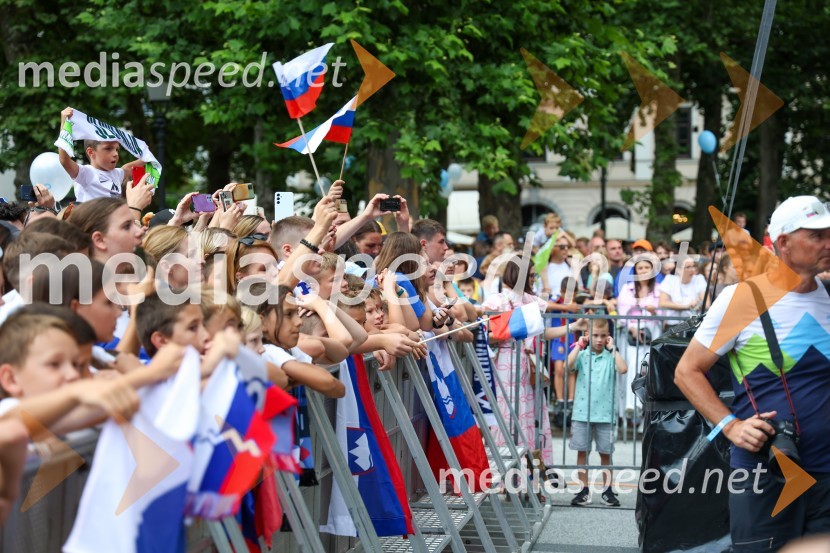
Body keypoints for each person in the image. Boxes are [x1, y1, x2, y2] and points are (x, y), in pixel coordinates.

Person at [675, 196, 830, 552]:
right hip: (765, 473)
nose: (828, 243)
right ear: (784, 243)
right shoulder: (741, 299)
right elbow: (687, 371)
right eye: (816, 235)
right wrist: (730, 425)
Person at [481, 256, 586, 468]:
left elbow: (542, 333)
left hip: (528, 363)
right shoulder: (496, 301)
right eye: (529, 275)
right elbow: (488, 334)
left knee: (530, 418)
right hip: (505, 362)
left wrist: (573, 327)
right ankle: (503, 474)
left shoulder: (532, 301)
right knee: (506, 416)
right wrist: (514, 328)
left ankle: (530, 475)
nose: (533, 279)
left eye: (533, 275)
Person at [566, 318, 627, 507]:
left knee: (606, 453)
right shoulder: (582, 356)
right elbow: (567, 366)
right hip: (582, 413)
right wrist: (579, 345)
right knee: (582, 452)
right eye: (595, 335)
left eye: (603, 336)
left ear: (608, 337)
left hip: (605, 414)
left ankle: (607, 490)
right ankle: (583, 490)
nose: (599, 340)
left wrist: (613, 348)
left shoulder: (610, 356)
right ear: (587, 336)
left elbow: (623, 369)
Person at [58, 107, 150, 203]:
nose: (115, 154)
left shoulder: (116, 174)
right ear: (91, 152)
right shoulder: (86, 173)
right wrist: (64, 124)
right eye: (108, 148)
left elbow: (128, 167)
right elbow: (64, 160)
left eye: (117, 149)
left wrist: (146, 156)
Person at [616, 258, 662, 424]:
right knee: (632, 366)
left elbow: (664, 314)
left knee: (649, 369)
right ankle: (630, 405)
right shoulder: (627, 289)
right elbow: (621, 313)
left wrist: (655, 311)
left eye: (647, 267)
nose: (643, 271)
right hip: (632, 335)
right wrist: (631, 327)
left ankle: (646, 411)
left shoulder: (659, 290)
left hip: (653, 332)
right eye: (640, 268)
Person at [659, 257, 706, 326]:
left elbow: (706, 303)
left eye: (693, 266)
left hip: (693, 324)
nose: (692, 269)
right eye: (688, 267)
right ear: (678, 269)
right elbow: (662, 303)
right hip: (673, 324)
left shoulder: (699, 278)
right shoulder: (670, 279)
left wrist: (698, 303)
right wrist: (686, 306)